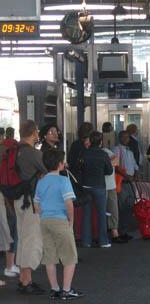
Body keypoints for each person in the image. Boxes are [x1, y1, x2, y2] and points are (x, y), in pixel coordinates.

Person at [34, 149, 85, 300]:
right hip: (60, 220)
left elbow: (36, 203)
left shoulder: (41, 181)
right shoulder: (64, 181)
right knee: (70, 256)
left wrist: (43, 215)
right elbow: (69, 204)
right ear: (60, 164)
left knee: (49, 256)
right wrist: (71, 221)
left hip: (44, 221)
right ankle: (67, 290)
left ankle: (54, 289)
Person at [15, 120, 47, 295]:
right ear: (34, 133)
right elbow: (49, 172)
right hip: (30, 202)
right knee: (32, 240)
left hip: (16, 199)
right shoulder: (34, 154)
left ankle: (23, 278)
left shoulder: (13, 151)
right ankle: (26, 281)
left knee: (22, 238)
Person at [81, 131, 113, 248]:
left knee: (86, 214)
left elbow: (80, 168)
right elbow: (109, 171)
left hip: (85, 186)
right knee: (101, 214)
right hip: (99, 186)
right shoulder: (103, 154)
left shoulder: (85, 153)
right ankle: (103, 241)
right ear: (100, 141)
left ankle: (86, 241)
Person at [0, 127, 19, 279]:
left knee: (9, 230)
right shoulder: (12, 148)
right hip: (9, 194)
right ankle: (9, 265)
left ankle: (9, 265)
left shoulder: (9, 149)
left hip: (5, 194)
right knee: (11, 230)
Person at [114, 131, 138, 240]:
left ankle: (124, 231)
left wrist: (135, 175)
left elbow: (135, 165)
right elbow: (116, 166)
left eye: (127, 137)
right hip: (122, 182)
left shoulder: (129, 151)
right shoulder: (116, 150)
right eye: (123, 137)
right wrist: (126, 175)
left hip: (130, 182)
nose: (126, 139)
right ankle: (119, 231)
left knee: (129, 207)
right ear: (120, 138)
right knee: (122, 207)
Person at [102, 144, 127, 244]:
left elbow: (115, 160)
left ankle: (114, 233)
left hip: (110, 185)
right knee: (103, 211)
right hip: (100, 186)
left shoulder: (105, 150)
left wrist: (106, 164)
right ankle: (104, 234)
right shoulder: (88, 153)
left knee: (113, 209)